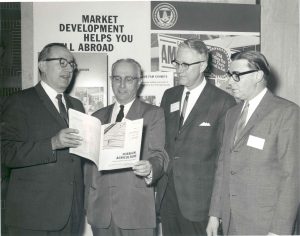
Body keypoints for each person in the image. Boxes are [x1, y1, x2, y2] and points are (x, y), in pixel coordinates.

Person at [207, 50, 300, 235]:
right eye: (229, 75)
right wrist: (214, 214)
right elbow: (224, 167)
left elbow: (292, 178)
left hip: (265, 224)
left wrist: (279, 231)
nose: (229, 82)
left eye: (236, 76)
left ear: (257, 75)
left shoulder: (287, 113)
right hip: (231, 220)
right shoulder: (232, 114)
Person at [1, 43, 85, 235]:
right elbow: (5, 153)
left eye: (71, 64)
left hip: (71, 214)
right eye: (62, 62)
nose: (68, 68)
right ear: (42, 65)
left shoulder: (77, 105)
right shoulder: (18, 102)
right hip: (32, 216)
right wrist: (52, 144)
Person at [156, 39, 236, 236]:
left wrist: (215, 213)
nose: (179, 70)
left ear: (203, 65)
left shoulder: (223, 102)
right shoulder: (169, 96)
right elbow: (163, 144)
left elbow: (223, 161)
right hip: (168, 197)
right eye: (177, 63)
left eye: (186, 65)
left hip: (199, 203)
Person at [84, 58, 168, 236]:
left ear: (139, 82)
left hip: (136, 209)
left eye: (129, 79)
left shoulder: (153, 114)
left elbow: (159, 155)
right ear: (111, 80)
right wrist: (88, 202)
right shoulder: (97, 117)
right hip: (101, 211)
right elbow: (88, 165)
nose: (122, 85)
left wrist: (150, 167)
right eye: (117, 78)